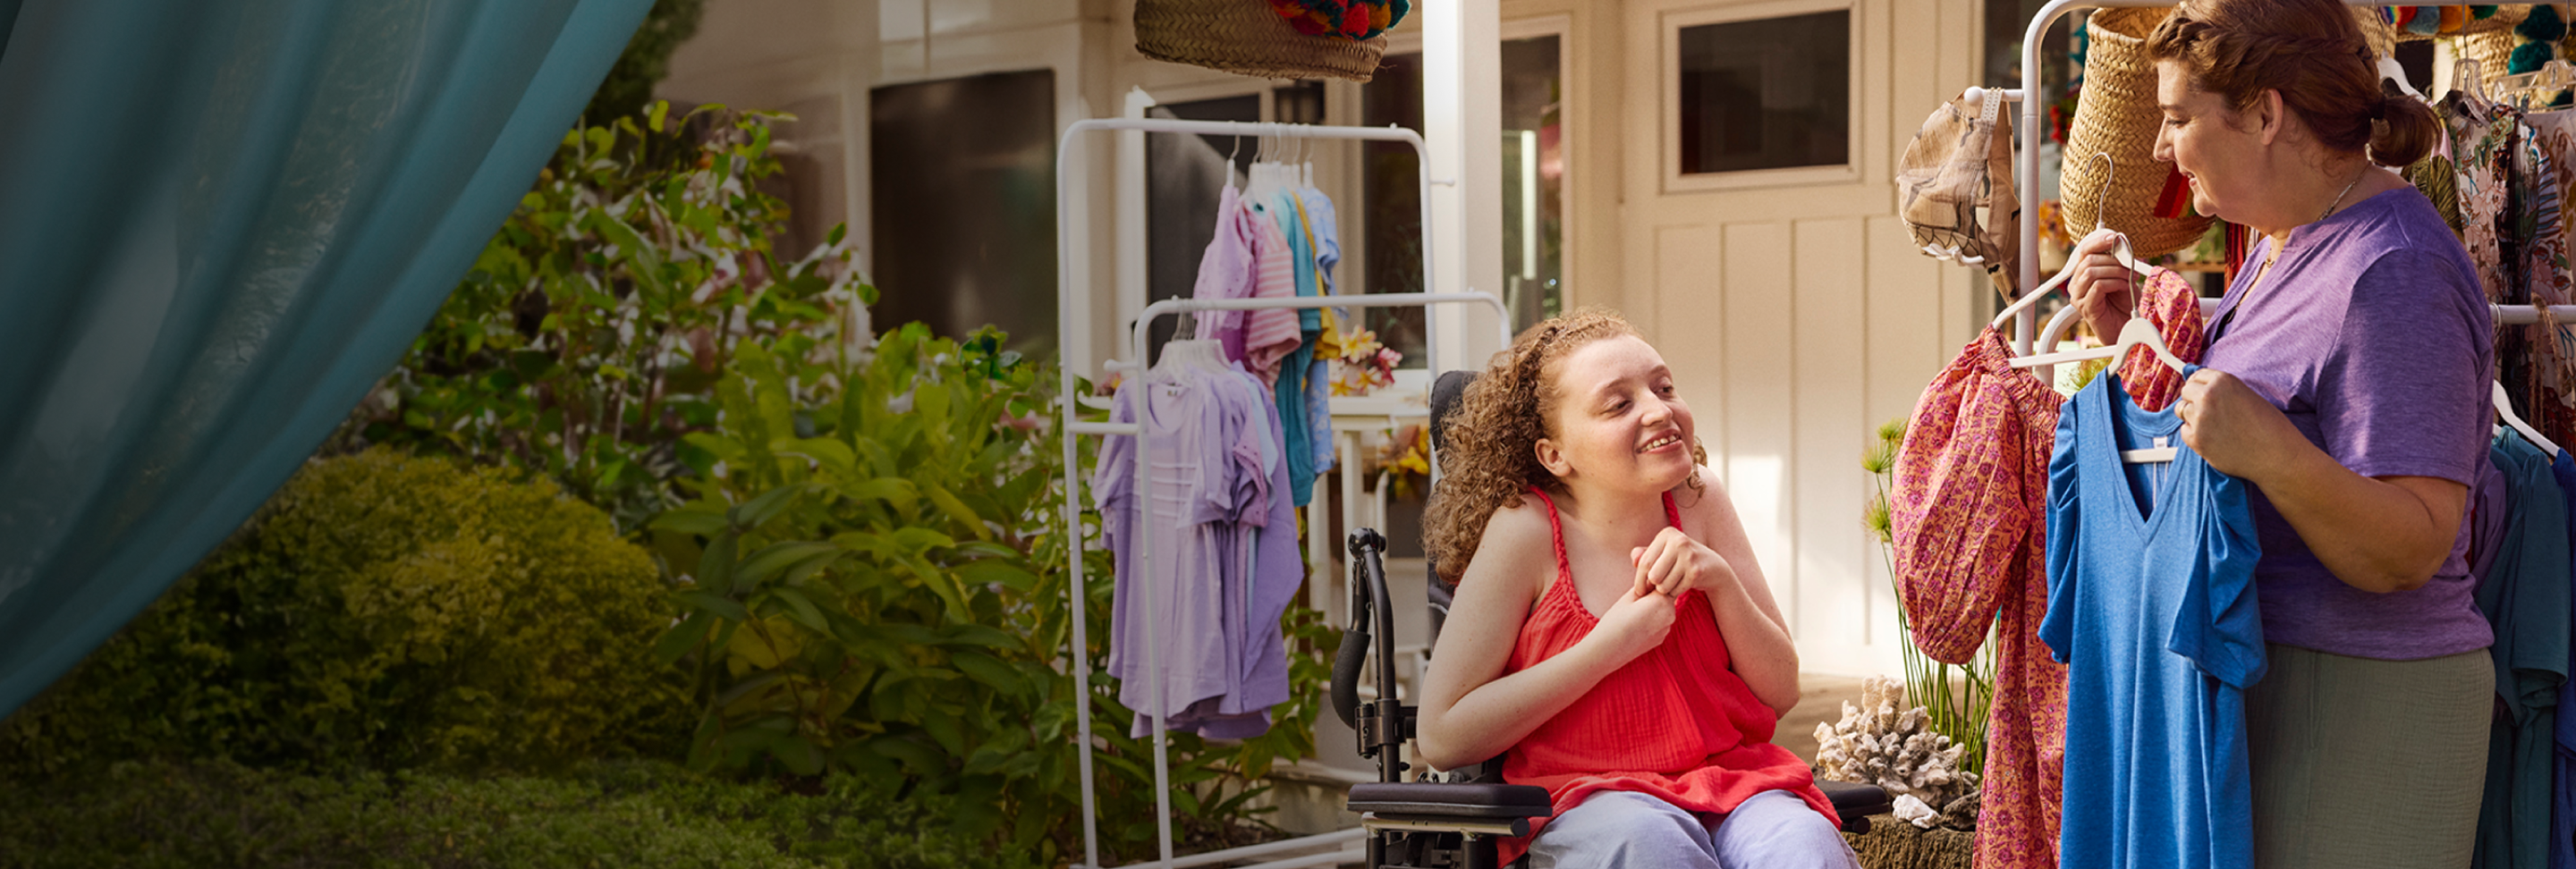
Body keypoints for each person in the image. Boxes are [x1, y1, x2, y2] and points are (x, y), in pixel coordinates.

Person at [2065, 1, 2493, 865]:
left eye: (2179, 118)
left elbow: (2414, 542)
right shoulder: (2281, 245)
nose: (2159, 147)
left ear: (2265, 114)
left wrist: (2272, 452)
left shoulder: (2395, 269)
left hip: (2365, 699)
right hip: (2274, 682)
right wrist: (2129, 343)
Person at [1415, 309, 1858, 869]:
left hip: (1735, 783)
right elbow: (1443, 735)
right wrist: (1608, 647)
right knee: (1650, 844)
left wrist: (1718, 580)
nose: (1659, 409)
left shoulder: (1699, 500)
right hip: (1593, 796)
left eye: (1664, 387)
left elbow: (1780, 691)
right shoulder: (1525, 531)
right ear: (1556, 454)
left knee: (1803, 846)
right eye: (1619, 403)